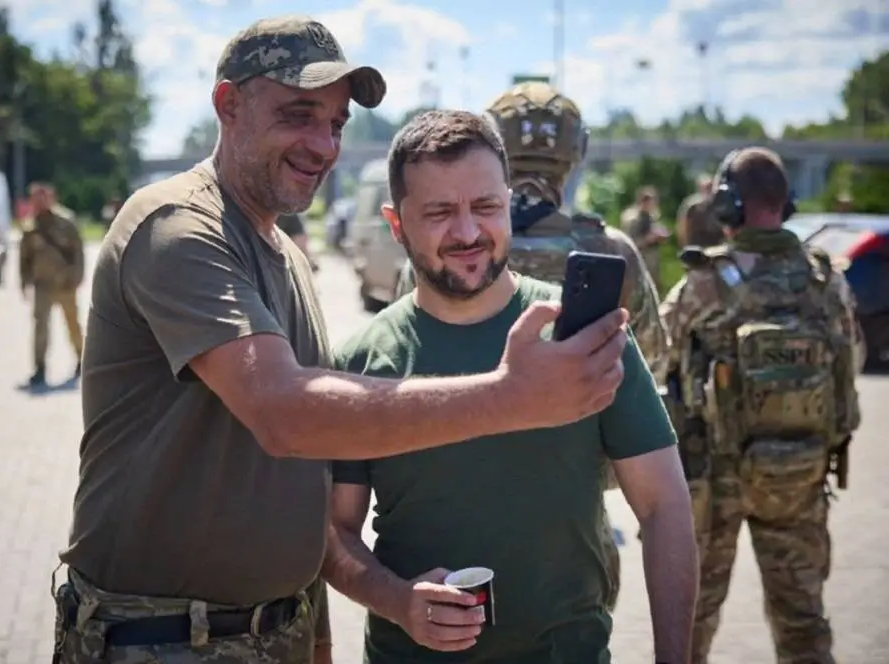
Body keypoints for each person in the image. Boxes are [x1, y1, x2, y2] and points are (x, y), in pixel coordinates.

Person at [54, 16, 631, 664]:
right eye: (299, 114)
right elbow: (285, 415)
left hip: (270, 632)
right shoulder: (179, 228)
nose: (322, 145)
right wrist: (512, 398)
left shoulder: (281, 252)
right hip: (160, 639)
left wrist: (320, 635)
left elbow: (303, 483)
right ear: (228, 105)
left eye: (335, 124)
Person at [323, 110, 698, 664]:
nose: (469, 233)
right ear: (396, 224)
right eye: (440, 212)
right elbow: (334, 532)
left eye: (487, 207)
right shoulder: (360, 360)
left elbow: (665, 505)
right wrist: (397, 600)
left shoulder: (583, 335)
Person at [393, 82, 671, 613]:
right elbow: (651, 366)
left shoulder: (439, 246)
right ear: (575, 154)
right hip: (573, 519)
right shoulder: (612, 253)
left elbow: (404, 363)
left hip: (450, 505)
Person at [659, 147, 865, 664]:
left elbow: (656, 358)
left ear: (727, 206)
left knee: (692, 621)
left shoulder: (705, 282)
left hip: (716, 480)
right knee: (802, 619)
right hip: (798, 473)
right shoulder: (826, 280)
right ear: (786, 203)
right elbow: (852, 358)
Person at [19, 182, 85, 387]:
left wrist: (78, 276)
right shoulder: (30, 227)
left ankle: (82, 360)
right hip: (42, 284)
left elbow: (77, 252)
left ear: (52, 198)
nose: (40, 202)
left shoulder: (66, 221)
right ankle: (39, 367)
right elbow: (24, 258)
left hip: (65, 282)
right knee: (40, 327)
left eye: (43, 197)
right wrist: (24, 282)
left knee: (72, 324)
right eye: (35, 198)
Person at [621, 186, 670, 294]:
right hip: (637, 266)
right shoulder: (633, 220)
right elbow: (628, 244)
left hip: (651, 266)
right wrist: (648, 239)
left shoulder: (651, 217)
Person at [676, 174, 724, 249]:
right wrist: (684, 245)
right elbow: (683, 226)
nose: (709, 189)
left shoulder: (719, 203)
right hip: (696, 245)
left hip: (716, 245)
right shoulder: (692, 204)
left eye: (710, 186)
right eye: (706, 187)